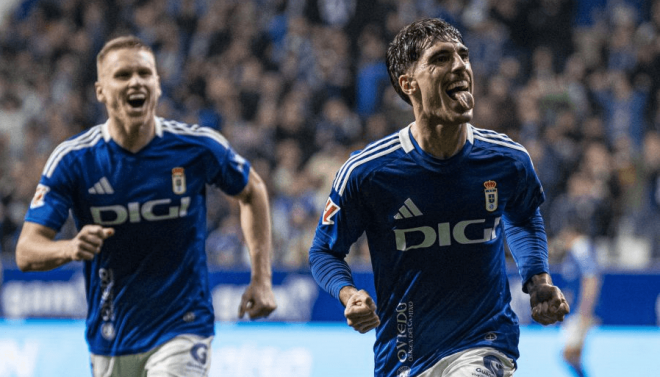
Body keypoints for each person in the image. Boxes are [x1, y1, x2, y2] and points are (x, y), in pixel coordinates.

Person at [308, 18, 569, 377]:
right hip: (404, 356)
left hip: (485, 342)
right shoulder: (368, 172)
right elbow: (323, 250)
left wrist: (538, 279)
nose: (460, 66)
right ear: (408, 84)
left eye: (463, 56)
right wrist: (348, 294)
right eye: (441, 58)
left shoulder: (507, 160)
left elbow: (523, 217)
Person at [15, 35, 277, 377]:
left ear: (157, 84)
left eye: (144, 73)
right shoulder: (74, 160)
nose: (136, 81)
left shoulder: (196, 147)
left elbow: (252, 189)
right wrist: (70, 247)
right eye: (123, 75)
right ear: (101, 91)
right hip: (111, 334)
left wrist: (262, 279)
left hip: (184, 324)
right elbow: (26, 252)